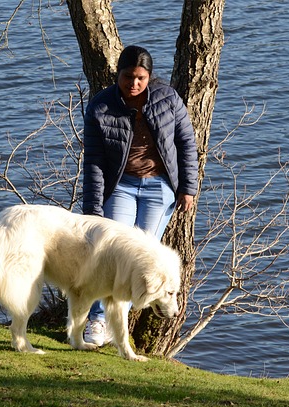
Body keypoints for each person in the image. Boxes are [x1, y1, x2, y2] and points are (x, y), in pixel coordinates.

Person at [81, 45, 199, 346]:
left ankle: (117, 320)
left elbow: (186, 143)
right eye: (128, 77)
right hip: (120, 186)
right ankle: (98, 320)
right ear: (117, 74)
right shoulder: (100, 107)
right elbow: (94, 161)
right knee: (109, 253)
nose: (134, 84)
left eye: (141, 78)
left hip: (159, 187)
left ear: (149, 77)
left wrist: (188, 188)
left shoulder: (167, 99)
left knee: (144, 258)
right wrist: (93, 210)